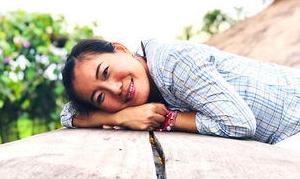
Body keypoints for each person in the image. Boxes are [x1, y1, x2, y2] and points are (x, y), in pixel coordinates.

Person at [60, 38, 300, 144]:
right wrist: (120, 117)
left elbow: (240, 124)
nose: (115, 88)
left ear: (121, 49)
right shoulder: (142, 88)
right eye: (100, 97)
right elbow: (68, 114)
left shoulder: (170, 63)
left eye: (105, 72)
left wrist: (167, 120)